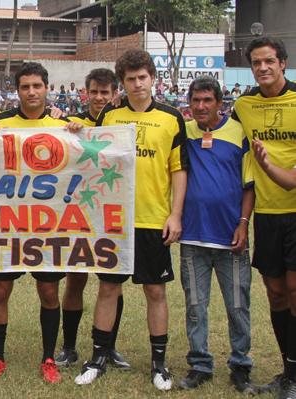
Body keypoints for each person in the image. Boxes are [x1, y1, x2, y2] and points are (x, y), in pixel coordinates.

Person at [74, 49, 187, 391]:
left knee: (155, 290)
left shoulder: (170, 118)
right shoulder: (109, 116)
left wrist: (175, 214)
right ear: (121, 83)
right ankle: (97, 358)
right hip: (115, 221)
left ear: (153, 78)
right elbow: (89, 157)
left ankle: (159, 365)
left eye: (143, 77)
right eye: (130, 79)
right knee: (108, 288)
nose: (138, 84)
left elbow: (178, 170)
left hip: (153, 219)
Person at [0, 62, 82, 382]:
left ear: (47, 87)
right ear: (17, 90)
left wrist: (80, 135)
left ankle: (49, 358)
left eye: (37, 86)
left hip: (47, 224)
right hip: (7, 223)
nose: (31, 92)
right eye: (25, 87)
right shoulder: (2, 123)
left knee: (49, 291)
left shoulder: (62, 125)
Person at [175, 76, 254, 392]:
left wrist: (244, 223)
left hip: (230, 237)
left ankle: (241, 365)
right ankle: (199, 364)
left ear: (220, 103)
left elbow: (249, 186)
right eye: (195, 100)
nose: (201, 106)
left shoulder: (238, 134)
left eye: (207, 100)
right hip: (193, 236)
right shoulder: (183, 133)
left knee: (238, 304)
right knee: (195, 306)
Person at [52, 68, 131, 371]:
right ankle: (69, 347)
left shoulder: (122, 124)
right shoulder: (71, 124)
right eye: (94, 92)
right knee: (75, 281)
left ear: (114, 94)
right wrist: (64, 127)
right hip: (77, 213)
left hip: (113, 213)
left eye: (105, 92)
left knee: (113, 283)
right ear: (85, 93)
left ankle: (108, 347)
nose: (99, 98)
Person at [231, 36, 296, 399]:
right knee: (275, 294)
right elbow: (231, 150)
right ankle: (288, 373)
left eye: (269, 61)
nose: (263, 68)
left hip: (295, 210)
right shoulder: (243, 105)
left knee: (294, 290)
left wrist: (269, 163)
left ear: (283, 63)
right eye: (256, 63)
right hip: (267, 215)